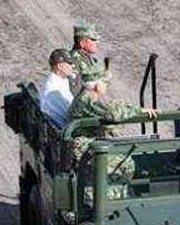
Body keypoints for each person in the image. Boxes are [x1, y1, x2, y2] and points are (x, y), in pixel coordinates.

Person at [67, 69, 157, 200]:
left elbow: (112, 107)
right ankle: (113, 196)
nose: (106, 87)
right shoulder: (89, 98)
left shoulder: (85, 95)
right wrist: (139, 110)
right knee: (127, 163)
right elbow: (113, 113)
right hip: (85, 148)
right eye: (105, 83)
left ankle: (116, 193)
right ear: (97, 85)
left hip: (87, 144)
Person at [39, 48, 76, 127]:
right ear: (59, 66)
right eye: (70, 63)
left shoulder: (61, 80)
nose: (73, 66)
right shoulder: (53, 86)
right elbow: (71, 114)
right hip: (64, 131)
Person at [67, 23, 105, 94]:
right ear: (82, 43)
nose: (97, 43)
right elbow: (74, 90)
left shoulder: (89, 59)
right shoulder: (73, 60)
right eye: (93, 40)